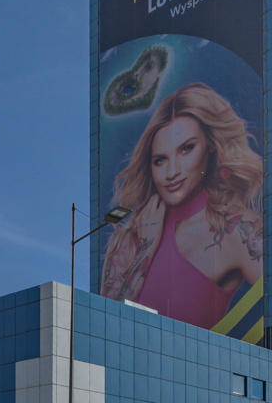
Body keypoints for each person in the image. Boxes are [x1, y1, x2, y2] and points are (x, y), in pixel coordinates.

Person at [101, 84, 263, 331]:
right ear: (150, 165)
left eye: (186, 149)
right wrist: (146, 248)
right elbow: (106, 330)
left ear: (210, 145)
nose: (172, 172)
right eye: (160, 160)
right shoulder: (127, 240)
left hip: (201, 369)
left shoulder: (236, 229)